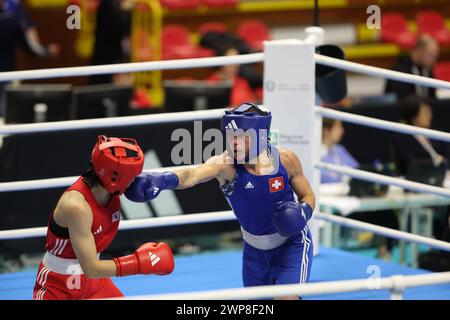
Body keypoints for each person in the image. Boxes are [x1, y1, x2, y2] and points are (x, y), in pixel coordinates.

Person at [126, 103, 315, 300]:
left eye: (242, 137)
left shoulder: (286, 160)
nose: (235, 143)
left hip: (292, 244)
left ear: (260, 135)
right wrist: (163, 179)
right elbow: (193, 174)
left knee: (286, 298)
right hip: (254, 251)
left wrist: (303, 212)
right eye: (231, 136)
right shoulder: (226, 165)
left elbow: (308, 196)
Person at [33, 135, 174, 300]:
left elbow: (187, 175)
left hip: (95, 283)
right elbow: (91, 268)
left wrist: (210, 169)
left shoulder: (109, 188)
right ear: (116, 177)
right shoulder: (76, 207)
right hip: (58, 286)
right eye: (132, 175)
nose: (136, 180)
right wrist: (139, 264)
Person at [393, 97, 447, 175]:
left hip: (442, 176)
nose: (430, 115)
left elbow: (445, 155)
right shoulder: (402, 139)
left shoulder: (435, 134)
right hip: (419, 178)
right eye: (425, 112)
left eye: (430, 111)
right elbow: (411, 164)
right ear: (414, 115)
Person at [385, 35, 439, 100]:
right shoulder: (400, 69)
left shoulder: (427, 70)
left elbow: (433, 97)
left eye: (435, 56)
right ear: (419, 51)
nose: (433, 60)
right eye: (430, 55)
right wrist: (419, 107)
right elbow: (401, 99)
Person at [321, 118, 358, 184]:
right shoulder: (314, 152)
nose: (342, 131)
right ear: (326, 130)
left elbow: (356, 170)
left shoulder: (340, 149)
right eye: (337, 127)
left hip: (343, 192)